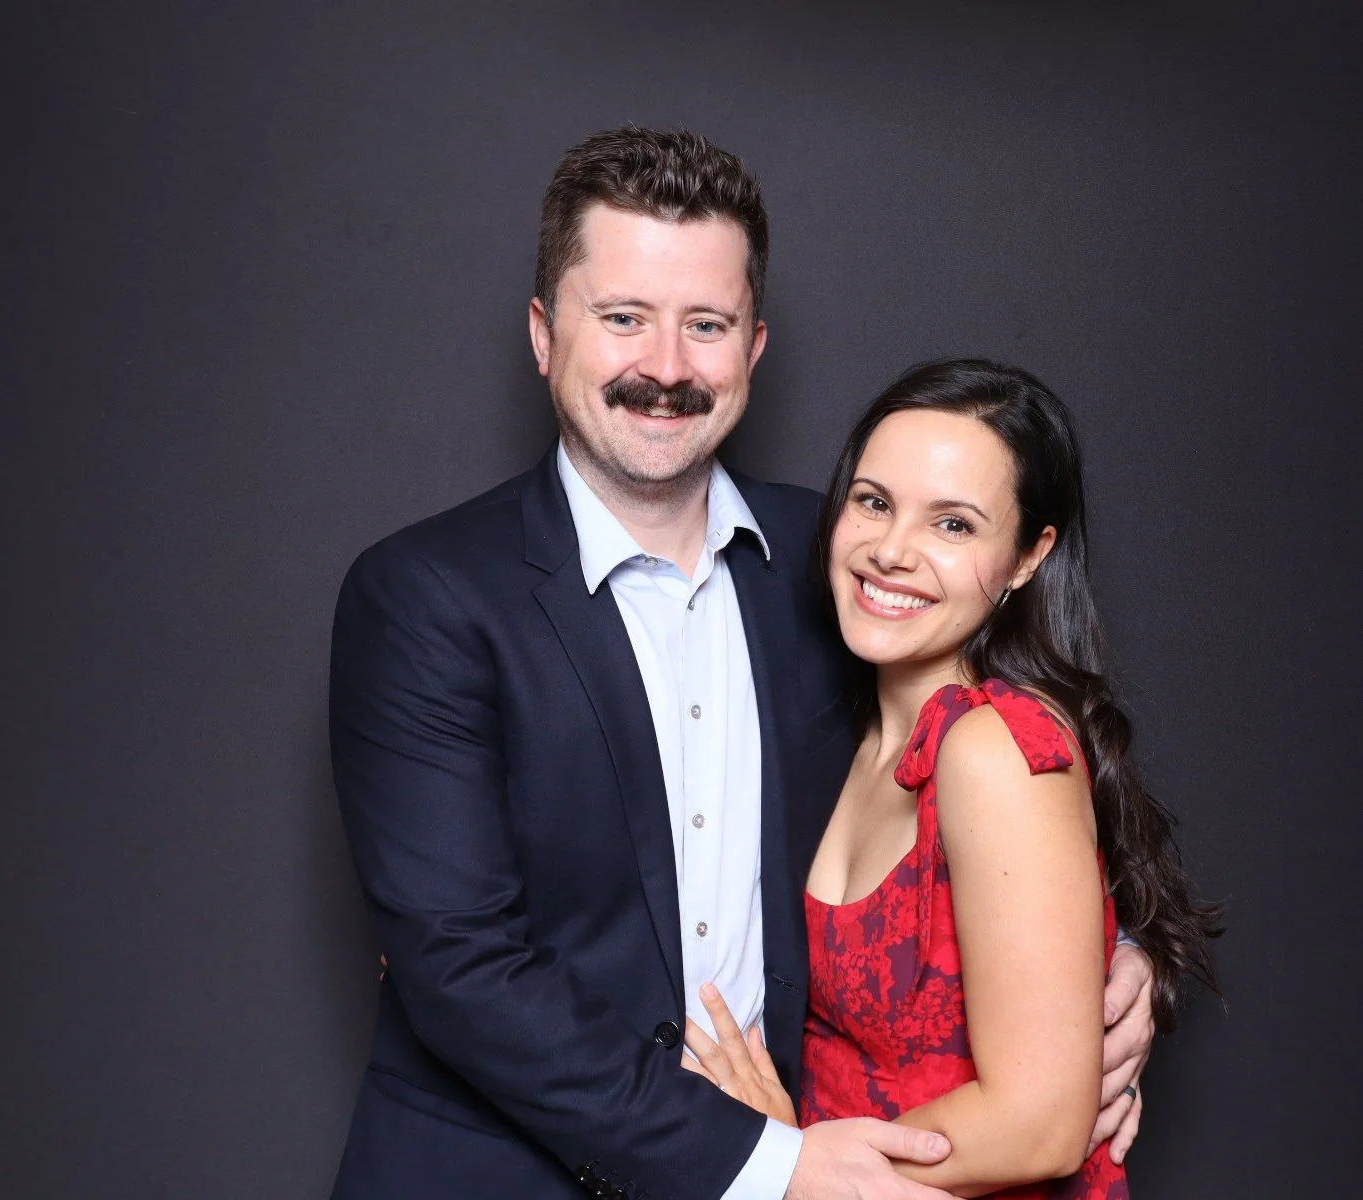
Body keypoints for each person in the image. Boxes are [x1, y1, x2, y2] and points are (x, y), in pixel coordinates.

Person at [328, 127, 1156, 1200]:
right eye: (623, 317)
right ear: (543, 334)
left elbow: (995, 779)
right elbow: (458, 968)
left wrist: (1110, 967)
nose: (666, 368)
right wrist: (775, 1168)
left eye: (705, 325)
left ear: (754, 347)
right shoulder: (423, 596)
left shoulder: (842, 574)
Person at [679, 360, 1220, 1198]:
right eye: (873, 501)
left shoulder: (997, 746)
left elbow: (1040, 1123)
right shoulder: (841, 727)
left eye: (955, 526)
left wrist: (787, 1168)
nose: (892, 552)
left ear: (1027, 557)